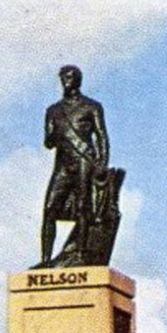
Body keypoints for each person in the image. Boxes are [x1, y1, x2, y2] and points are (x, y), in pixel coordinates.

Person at [40, 65, 110, 266]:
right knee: (49, 208)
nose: (66, 82)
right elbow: (48, 142)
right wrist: (52, 134)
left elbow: (101, 136)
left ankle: (80, 253)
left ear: (78, 80)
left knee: (82, 206)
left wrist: (102, 164)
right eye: (63, 78)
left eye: (69, 78)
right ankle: (45, 260)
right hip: (63, 164)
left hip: (83, 161)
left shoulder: (91, 107)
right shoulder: (53, 110)